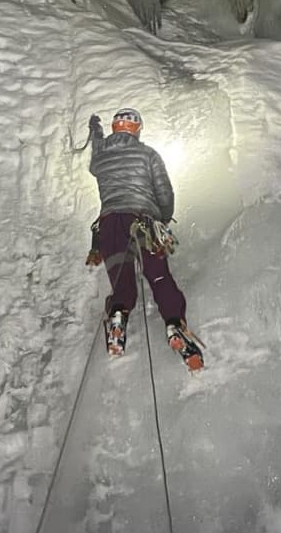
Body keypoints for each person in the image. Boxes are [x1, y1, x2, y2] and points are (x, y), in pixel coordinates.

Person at [87, 107, 204, 371]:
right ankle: (174, 325)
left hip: (109, 225)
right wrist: (164, 217)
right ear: (137, 129)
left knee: (121, 280)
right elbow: (164, 191)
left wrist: (96, 132)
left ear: (115, 127)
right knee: (159, 276)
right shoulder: (148, 154)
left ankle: (118, 318)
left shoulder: (101, 156)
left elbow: (95, 157)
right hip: (143, 223)